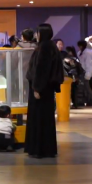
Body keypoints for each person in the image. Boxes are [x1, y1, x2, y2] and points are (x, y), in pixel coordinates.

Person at [25, 23, 62, 158]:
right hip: (45, 88)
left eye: (38, 32)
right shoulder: (49, 46)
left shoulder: (45, 47)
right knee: (45, 119)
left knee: (39, 118)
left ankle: (39, 149)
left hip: (41, 89)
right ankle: (46, 148)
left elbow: (42, 70)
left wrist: (37, 88)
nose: (36, 35)